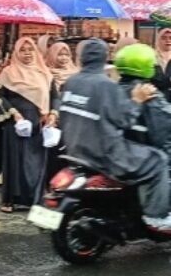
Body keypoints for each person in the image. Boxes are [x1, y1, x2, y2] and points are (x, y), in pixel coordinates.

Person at [60, 38, 171, 230]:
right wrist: (137, 100)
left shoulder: (72, 81)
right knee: (158, 159)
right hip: (106, 153)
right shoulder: (107, 86)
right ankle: (157, 217)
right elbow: (124, 121)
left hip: (75, 148)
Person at [0, 37, 59, 213]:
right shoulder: (8, 73)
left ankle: (35, 199)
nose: (27, 53)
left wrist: (53, 114)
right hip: (16, 123)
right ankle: (10, 200)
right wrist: (14, 113)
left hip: (38, 123)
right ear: (16, 53)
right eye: (22, 50)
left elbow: (55, 97)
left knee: (35, 163)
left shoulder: (44, 73)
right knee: (15, 162)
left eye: (30, 49)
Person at [114, 43, 171, 161]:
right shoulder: (150, 94)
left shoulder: (111, 90)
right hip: (144, 160)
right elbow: (164, 136)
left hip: (118, 156)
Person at [153, 28, 171, 101]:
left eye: (170, 38)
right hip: (156, 99)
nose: (168, 40)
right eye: (163, 38)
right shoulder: (151, 57)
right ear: (158, 40)